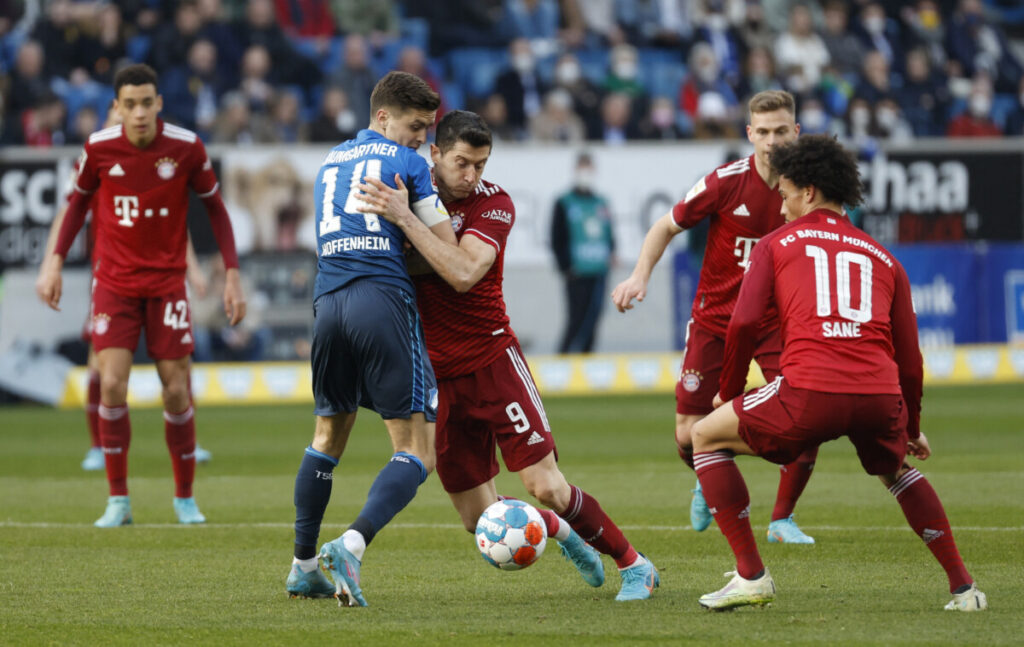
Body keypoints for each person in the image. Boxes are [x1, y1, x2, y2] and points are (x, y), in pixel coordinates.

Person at [356, 110, 659, 602]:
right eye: (461, 163)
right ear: (434, 154)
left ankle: (635, 565)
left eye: (480, 163)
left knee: (548, 488)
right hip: (436, 375)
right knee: (480, 520)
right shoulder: (406, 193)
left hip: (492, 358)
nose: (471, 175)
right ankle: (565, 535)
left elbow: (463, 272)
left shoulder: (493, 203)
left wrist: (404, 219)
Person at [690, 134, 987, 613]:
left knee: (704, 436)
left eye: (785, 194)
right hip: (878, 393)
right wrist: (909, 427)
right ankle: (964, 588)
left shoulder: (775, 242)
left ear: (808, 192)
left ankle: (751, 575)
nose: (781, 206)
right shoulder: (885, 258)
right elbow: (911, 362)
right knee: (895, 470)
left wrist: (727, 393)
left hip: (809, 390)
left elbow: (743, 322)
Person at [36, 64, 246, 527]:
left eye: (146, 103)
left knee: (175, 389)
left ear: (159, 103)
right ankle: (118, 500)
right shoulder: (97, 148)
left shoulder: (187, 148)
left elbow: (216, 210)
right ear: (117, 106)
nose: (138, 112)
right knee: (112, 383)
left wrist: (231, 273)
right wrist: (53, 261)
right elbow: (75, 207)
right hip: (114, 282)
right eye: (129, 104)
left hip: (167, 282)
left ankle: (185, 498)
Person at [611, 90, 817, 544]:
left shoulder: (810, 188)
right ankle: (708, 472)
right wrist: (638, 276)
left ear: (795, 132)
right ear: (749, 134)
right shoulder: (724, 182)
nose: (771, 141)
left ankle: (782, 518)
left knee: (807, 413)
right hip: (715, 321)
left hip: (775, 324)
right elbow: (665, 226)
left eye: (781, 130)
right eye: (762, 132)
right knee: (687, 434)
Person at [284, 71, 453, 606]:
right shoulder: (406, 166)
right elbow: (444, 246)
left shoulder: (329, 162)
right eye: (416, 127)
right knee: (417, 451)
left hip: (328, 302)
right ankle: (352, 545)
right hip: (381, 298)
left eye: (427, 131)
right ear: (383, 117)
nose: (422, 140)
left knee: (326, 439)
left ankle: (301, 565)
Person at [37, 102, 215, 471]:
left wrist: (192, 268)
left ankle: (189, 442)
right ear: (111, 118)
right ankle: (98, 446)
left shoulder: (153, 159)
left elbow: (171, 222)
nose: (133, 122)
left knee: (180, 361)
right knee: (101, 364)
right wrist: (49, 264)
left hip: (160, 272)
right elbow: (68, 212)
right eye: (122, 115)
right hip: (112, 273)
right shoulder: (96, 156)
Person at [550, 152, 616, 354]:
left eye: (589, 168)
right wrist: (566, 267)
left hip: (599, 271)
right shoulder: (564, 202)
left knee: (594, 319)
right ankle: (562, 360)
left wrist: (612, 253)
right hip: (577, 272)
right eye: (582, 168)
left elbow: (609, 233)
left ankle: (587, 364)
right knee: (576, 318)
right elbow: (556, 237)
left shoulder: (600, 202)